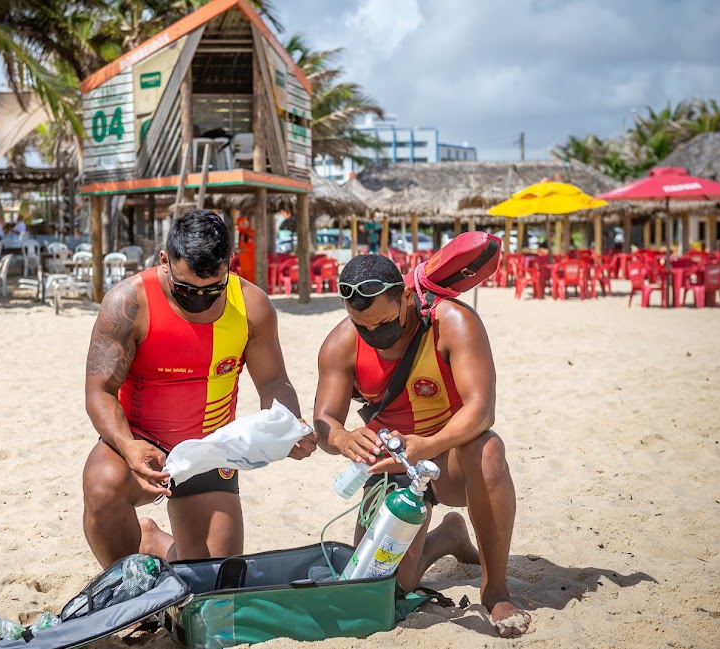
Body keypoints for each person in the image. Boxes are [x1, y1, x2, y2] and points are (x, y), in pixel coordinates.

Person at [82, 209, 318, 567]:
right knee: (102, 490)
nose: (200, 297)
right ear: (165, 260)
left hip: (210, 449)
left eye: (214, 288)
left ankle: (153, 541)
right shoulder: (128, 302)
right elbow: (99, 391)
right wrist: (129, 446)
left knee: (214, 579)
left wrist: (288, 426)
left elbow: (273, 381)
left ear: (229, 264)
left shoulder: (252, 305)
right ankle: (128, 588)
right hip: (141, 439)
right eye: (187, 288)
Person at [312, 253, 531, 638]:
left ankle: (495, 589)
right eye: (362, 325)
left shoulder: (453, 322)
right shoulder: (340, 344)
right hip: (394, 470)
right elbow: (323, 424)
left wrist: (429, 445)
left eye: (383, 322)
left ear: (406, 298)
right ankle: (448, 536)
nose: (373, 333)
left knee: (488, 448)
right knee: (391, 587)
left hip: (450, 460)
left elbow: (482, 409)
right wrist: (344, 438)